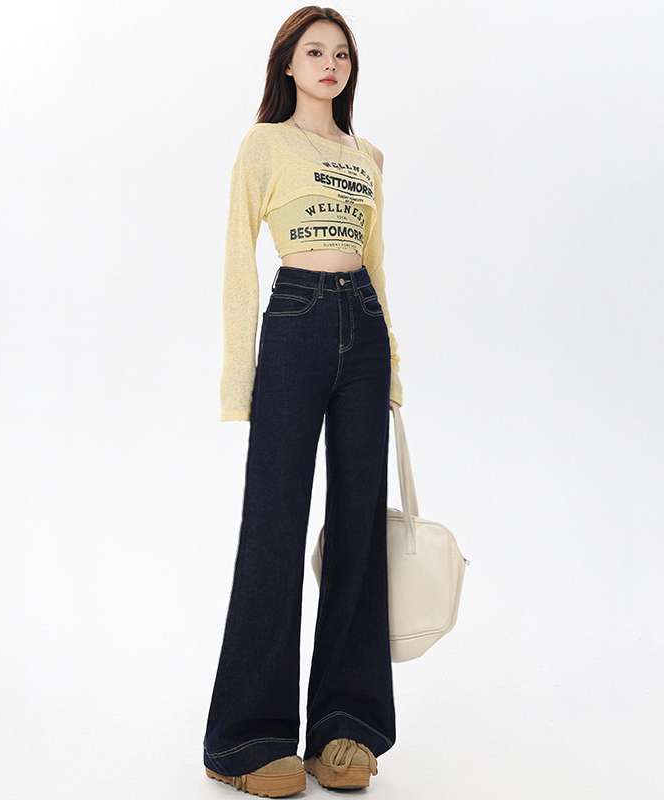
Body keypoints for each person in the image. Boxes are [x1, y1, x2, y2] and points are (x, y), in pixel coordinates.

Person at [203, 7, 403, 796]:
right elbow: (236, 259)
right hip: (295, 319)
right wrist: (238, 378)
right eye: (314, 51)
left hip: (364, 325)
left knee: (359, 525)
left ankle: (344, 727)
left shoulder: (367, 155)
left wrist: (391, 367)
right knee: (276, 522)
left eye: (341, 54)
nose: (330, 63)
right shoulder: (264, 144)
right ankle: (247, 739)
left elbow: (377, 263)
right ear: (288, 63)